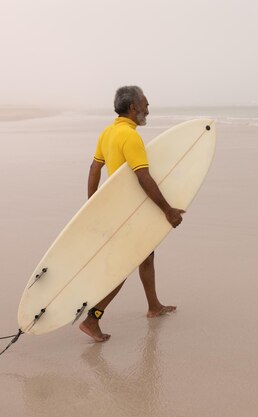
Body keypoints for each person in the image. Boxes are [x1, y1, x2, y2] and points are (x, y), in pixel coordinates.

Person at [79, 86, 184, 342]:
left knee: (146, 255)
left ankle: (153, 306)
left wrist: (92, 203)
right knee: (124, 265)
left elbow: (95, 167)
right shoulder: (130, 137)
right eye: (145, 104)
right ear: (133, 107)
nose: (148, 108)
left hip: (121, 210)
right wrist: (168, 210)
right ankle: (92, 319)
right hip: (128, 213)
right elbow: (143, 177)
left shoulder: (109, 132)